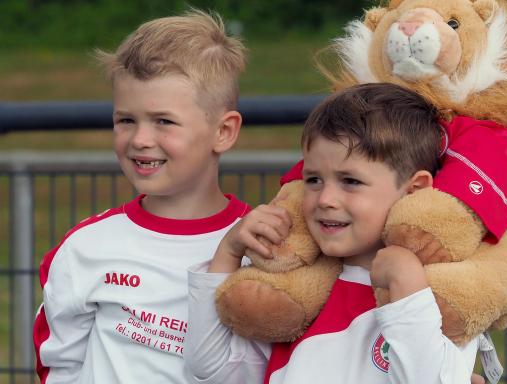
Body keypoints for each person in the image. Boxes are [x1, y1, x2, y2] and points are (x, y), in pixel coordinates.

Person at [184, 82, 481, 384]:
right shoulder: (290, 291)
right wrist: (228, 252)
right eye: (313, 179)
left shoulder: (445, 297)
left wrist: (408, 287)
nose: (325, 199)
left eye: (350, 181)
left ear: (414, 190)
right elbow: (209, 370)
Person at [32, 9, 248, 383]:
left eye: (163, 121)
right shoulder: (86, 247)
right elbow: (57, 364)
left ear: (224, 132)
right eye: (126, 120)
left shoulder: (263, 245)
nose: (140, 139)